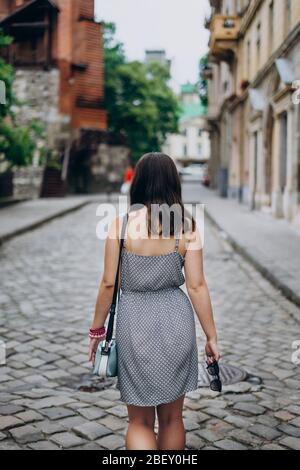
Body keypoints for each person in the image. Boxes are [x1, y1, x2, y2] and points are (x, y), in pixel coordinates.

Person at [89, 152, 220, 450]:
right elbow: (197, 286)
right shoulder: (187, 227)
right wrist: (212, 337)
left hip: (135, 323)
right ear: (174, 183)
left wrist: (97, 330)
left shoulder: (119, 226)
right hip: (176, 321)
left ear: (139, 183)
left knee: (139, 422)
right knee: (174, 419)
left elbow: (109, 283)